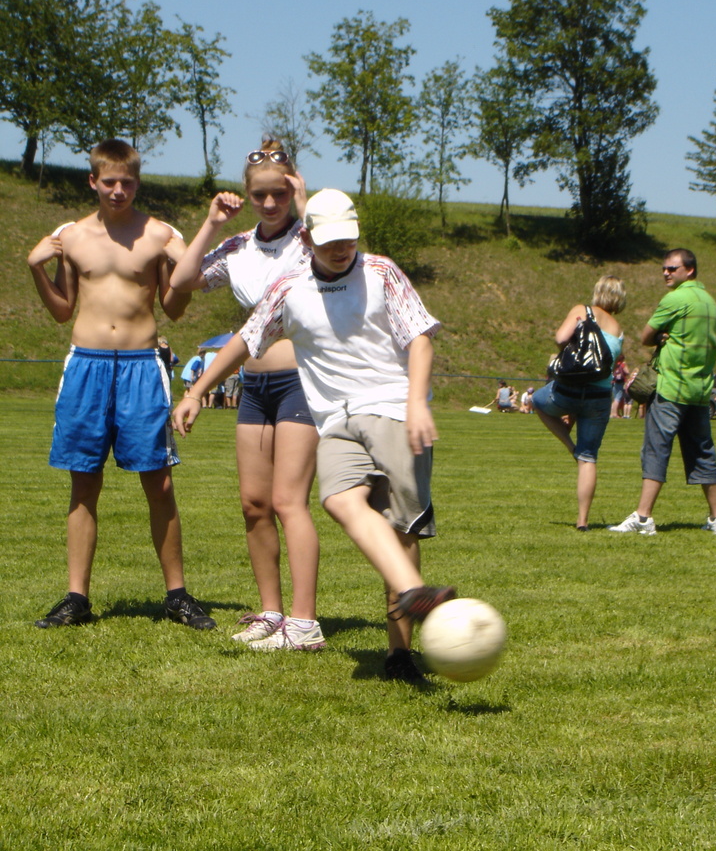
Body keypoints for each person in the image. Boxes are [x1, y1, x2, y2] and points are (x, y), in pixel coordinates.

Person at [173, 188, 456, 683]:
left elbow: (420, 338)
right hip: (337, 421)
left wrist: (415, 402)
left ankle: (399, 654)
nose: (341, 249)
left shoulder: (382, 272)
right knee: (338, 499)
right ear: (306, 239)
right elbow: (246, 339)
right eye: (329, 242)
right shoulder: (289, 288)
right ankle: (414, 591)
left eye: (348, 239)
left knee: (400, 529)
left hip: (393, 410)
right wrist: (197, 390)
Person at [27, 138, 215, 630]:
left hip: (141, 366)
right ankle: (76, 598)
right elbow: (62, 310)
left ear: (137, 183)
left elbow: (174, 307)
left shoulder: (158, 235)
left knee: (160, 481)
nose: (117, 190)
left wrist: (183, 269)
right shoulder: (70, 237)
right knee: (83, 480)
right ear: (93, 181)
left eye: (127, 183)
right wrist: (36, 267)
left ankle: (177, 595)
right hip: (86, 364)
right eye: (109, 182)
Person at [169, 136, 322, 652]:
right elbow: (182, 280)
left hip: (302, 380)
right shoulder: (238, 247)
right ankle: (271, 614)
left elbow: (337, 255)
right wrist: (213, 222)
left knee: (288, 501)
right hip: (254, 384)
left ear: (292, 189)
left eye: (280, 192)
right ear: (247, 195)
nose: (270, 203)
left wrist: (306, 201)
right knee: (254, 504)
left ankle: (304, 623)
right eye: (260, 195)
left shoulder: (311, 238)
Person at [609, 248, 716, 536]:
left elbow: (646, 336)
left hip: (671, 388)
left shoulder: (675, 299)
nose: (666, 273)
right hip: (700, 391)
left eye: (672, 268)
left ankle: (643, 517)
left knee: (656, 450)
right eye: (664, 268)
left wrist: (661, 337)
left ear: (690, 270)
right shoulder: (710, 302)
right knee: (703, 452)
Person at [532, 276, 626, 531]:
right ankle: (582, 521)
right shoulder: (618, 329)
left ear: (598, 292)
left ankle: (569, 444)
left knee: (537, 401)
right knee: (589, 458)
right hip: (599, 396)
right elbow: (615, 359)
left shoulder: (581, 311)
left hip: (568, 389)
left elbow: (560, 338)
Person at [610, 353, 629, 418]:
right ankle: (615, 413)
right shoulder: (622, 364)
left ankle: (612, 413)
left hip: (614, 382)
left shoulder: (615, 365)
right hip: (620, 382)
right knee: (618, 398)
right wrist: (626, 365)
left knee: (615, 398)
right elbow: (627, 372)